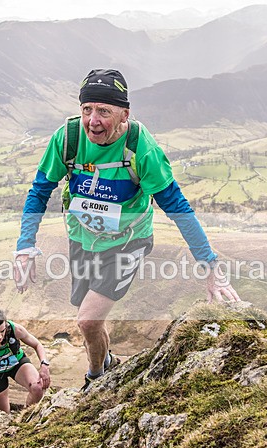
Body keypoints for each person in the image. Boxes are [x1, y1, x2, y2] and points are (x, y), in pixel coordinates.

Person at [13, 68, 240, 389]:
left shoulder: (141, 149)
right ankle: (106, 360)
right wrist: (25, 246)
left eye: (104, 111)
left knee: (87, 319)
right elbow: (39, 190)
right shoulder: (68, 139)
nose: (93, 120)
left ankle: (95, 381)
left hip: (127, 242)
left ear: (124, 114)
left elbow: (176, 205)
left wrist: (209, 262)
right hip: (81, 238)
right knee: (90, 323)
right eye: (87, 109)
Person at [0, 308, 51, 413]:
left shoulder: (15, 329)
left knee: (37, 387)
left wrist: (44, 365)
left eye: (2, 331)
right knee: (3, 413)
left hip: (17, 363)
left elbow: (37, 344)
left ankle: (25, 416)